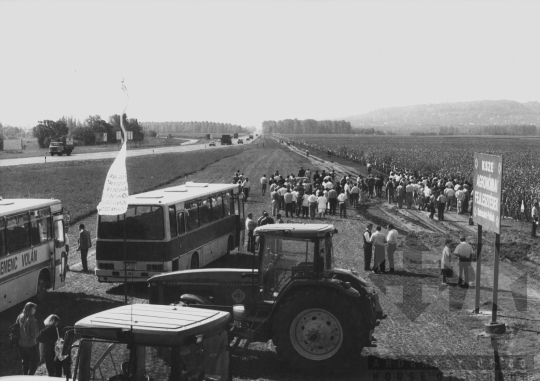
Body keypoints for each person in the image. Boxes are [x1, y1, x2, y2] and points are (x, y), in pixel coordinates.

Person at [16, 302, 40, 375]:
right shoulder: (31, 320)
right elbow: (34, 334)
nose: (35, 310)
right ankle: (30, 376)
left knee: (25, 360)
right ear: (30, 309)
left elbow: (16, 328)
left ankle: (25, 375)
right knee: (35, 361)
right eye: (34, 308)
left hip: (21, 344)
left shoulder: (20, 316)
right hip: (31, 344)